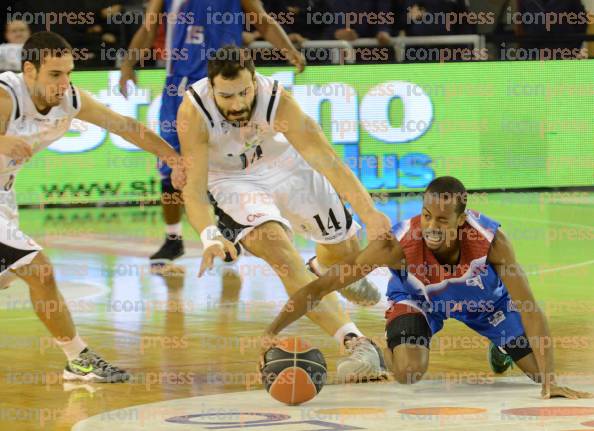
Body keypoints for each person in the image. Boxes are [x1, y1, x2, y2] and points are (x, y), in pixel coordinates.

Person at [261, 176, 593, 399]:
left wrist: (550, 382)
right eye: (427, 215)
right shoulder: (397, 245)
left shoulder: (493, 243)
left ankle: (502, 344)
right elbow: (321, 287)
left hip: (488, 307)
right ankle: (379, 353)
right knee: (408, 373)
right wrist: (272, 331)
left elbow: (530, 309)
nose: (432, 226)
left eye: (442, 220)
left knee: (538, 375)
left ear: (462, 220)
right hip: (420, 301)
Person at [177, 45, 393, 381]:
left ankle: (324, 267)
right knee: (282, 256)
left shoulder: (278, 100)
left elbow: (327, 160)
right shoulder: (194, 112)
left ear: (255, 79)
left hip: (285, 165)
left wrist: (370, 212)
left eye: (244, 92)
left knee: (345, 253)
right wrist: (209, 237)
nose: (237, 104)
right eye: (226, 96)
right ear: (211, 87)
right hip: (233, 181)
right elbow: (193, 188)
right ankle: (357, 342)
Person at [0, 31, 186, 382]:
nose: (64, 82)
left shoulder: (69, 99)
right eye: (55, 74)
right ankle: (78, 359)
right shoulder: (5, 96)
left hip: (3, 198)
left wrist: (172, 157)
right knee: (39, 271)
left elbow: (125, 126)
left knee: (13, 276)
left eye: (69, 72)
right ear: (29, 70)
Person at [118, 0, 306, 267]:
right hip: (180, 85)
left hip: (225, 86)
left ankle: (230, 223)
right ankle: (173, 238)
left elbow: (262, 20)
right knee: (171, 164)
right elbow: (148, 27)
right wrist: (128, 64)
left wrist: (288, 49)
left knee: (228, 160)